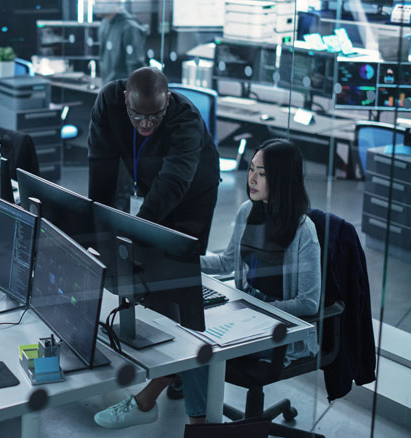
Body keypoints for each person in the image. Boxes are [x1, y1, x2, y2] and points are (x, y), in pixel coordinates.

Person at [94, 139, 322, 429]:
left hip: (280, 331)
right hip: (245, 313)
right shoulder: (247, 212)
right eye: (250, 169)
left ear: (282, 178)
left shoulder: (304, 231)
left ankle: (151, 405)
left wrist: (256, 308)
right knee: (188, 327)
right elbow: (227, 263)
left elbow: (309, 302)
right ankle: (178, 417)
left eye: (261, 173)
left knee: (198, 346)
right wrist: (179, 258)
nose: (251, 178)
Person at [88, 67, 220, 255]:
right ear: (126, 98)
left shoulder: (186, 118)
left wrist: (135, 230)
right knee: (140, 251)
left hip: (194, 190)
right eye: (137, 115)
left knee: (179, 258)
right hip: (149, 178)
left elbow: (173, 182)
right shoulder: (109, 101)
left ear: (167, 99)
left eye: (155, 115)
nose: (146, 123)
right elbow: (100, 164)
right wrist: (95, 229)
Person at [96, 4, 147, 84]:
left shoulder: (130, 28)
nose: (97, 3)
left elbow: (136, 67)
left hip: (123, 91)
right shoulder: (104, 24)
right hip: (109, 88)